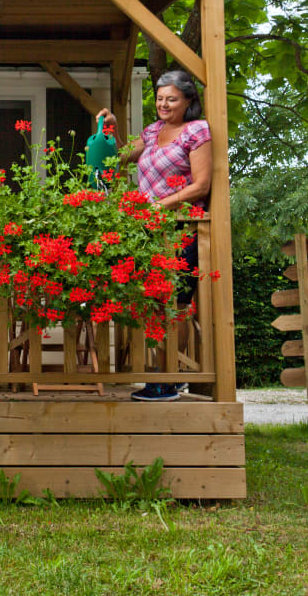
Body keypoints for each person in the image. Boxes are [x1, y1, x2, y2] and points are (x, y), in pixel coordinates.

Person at [99, 69, 212, 402]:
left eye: (171, 99)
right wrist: (112, 129)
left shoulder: (197, 130)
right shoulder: (152, 131)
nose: (164, 104)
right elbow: (122, 156)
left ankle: (169, 378)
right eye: (160, 98)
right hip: (148, 229)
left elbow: (201, 185)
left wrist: (160, 205)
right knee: (154, 303)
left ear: (188, 100)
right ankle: (163, 376)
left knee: (176, 303)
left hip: (181, 229)